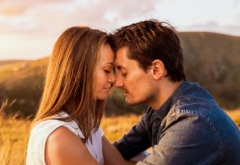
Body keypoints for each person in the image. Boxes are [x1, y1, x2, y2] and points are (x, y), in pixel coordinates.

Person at [110, 19, 240, 165]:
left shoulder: (192, 122)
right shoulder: (159, 110)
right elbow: (119, 150)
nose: (117, 83)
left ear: (156, 70)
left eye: (124, 73)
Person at [26, 26, 133, 165]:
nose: (113, 79)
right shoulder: (59, 138)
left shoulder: (87, 123)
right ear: (79, 70)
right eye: (107, 70)